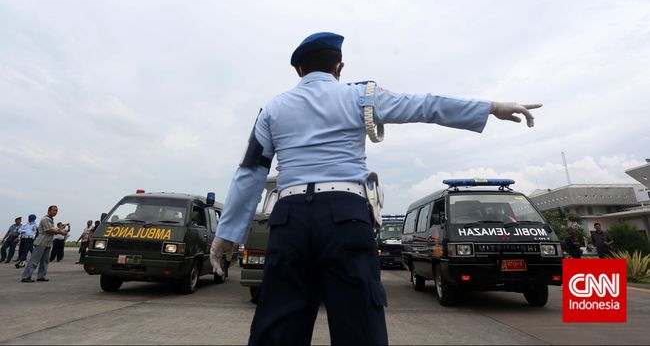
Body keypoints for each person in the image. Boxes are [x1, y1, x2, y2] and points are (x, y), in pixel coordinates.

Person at [210, 32, 542, 345]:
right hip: (345, 215)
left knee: (278, 322)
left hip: (289, 218)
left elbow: (250, 172)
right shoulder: (360, 96)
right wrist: (491, 107)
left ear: (299, 70)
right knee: (359, 321)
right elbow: (426, 105)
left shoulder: (272, 110)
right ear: (339, 67)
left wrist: (227, 234)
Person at [21, 205, 67, 282]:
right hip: (41, 242)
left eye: (56, 210)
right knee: (34, 260)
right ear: (49, 211)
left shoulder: (50, 219)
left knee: (45, 261)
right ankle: (26, 276)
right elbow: (49, 230)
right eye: (53, 210)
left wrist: (60, 229)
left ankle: (41, 276)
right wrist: (61, 232)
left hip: (47, 243)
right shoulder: (45, 219)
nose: (55, 212)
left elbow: (52, 229)